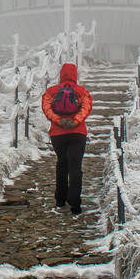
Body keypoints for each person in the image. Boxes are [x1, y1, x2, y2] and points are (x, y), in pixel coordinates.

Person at [41, 62, 92, 215]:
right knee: (75, 166)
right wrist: (74, 121)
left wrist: (58, 121)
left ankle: (60, 199)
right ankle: (75, 203)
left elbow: (46, 108)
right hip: (78, 133)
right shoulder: (82, 91)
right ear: (75, 74)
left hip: (57, 134)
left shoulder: (51, 91)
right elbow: (86, 108)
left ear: (61, 74)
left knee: (62, 164)